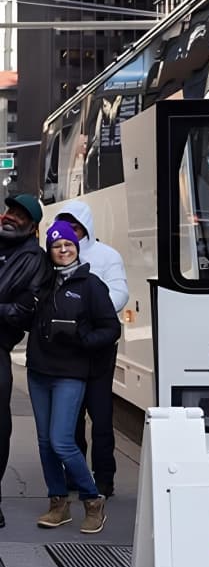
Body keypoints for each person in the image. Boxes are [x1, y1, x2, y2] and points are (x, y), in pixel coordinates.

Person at [26, 220, 120, 533]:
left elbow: (111, 328)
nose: (63, 250)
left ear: (77, 247)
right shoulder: (43, 283)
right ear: (50, 251)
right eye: (56, 246)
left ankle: (93, 500)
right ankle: (58, 503)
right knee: (44, 442)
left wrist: (83, 340)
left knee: (61, 441)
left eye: (68, 244)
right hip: (39, 372)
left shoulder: (91, 285)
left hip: (71, 373)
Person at [54, 201, 128, 498]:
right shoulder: (56, 256)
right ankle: (75, 473)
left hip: (99, 349)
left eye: (75, 227)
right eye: (66, 227)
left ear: (86, 227)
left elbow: (120, 292)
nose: (71, 234)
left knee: (101, 416)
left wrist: (89, 314)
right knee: (71, 417)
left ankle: (104, 477)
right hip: (68, 349)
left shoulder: (107, 255)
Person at [0, 194, 52, 529]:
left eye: (19, 214)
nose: (9, 216)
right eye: (9, 210)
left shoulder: (35, 261)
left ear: (32, 225)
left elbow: (22, 312)